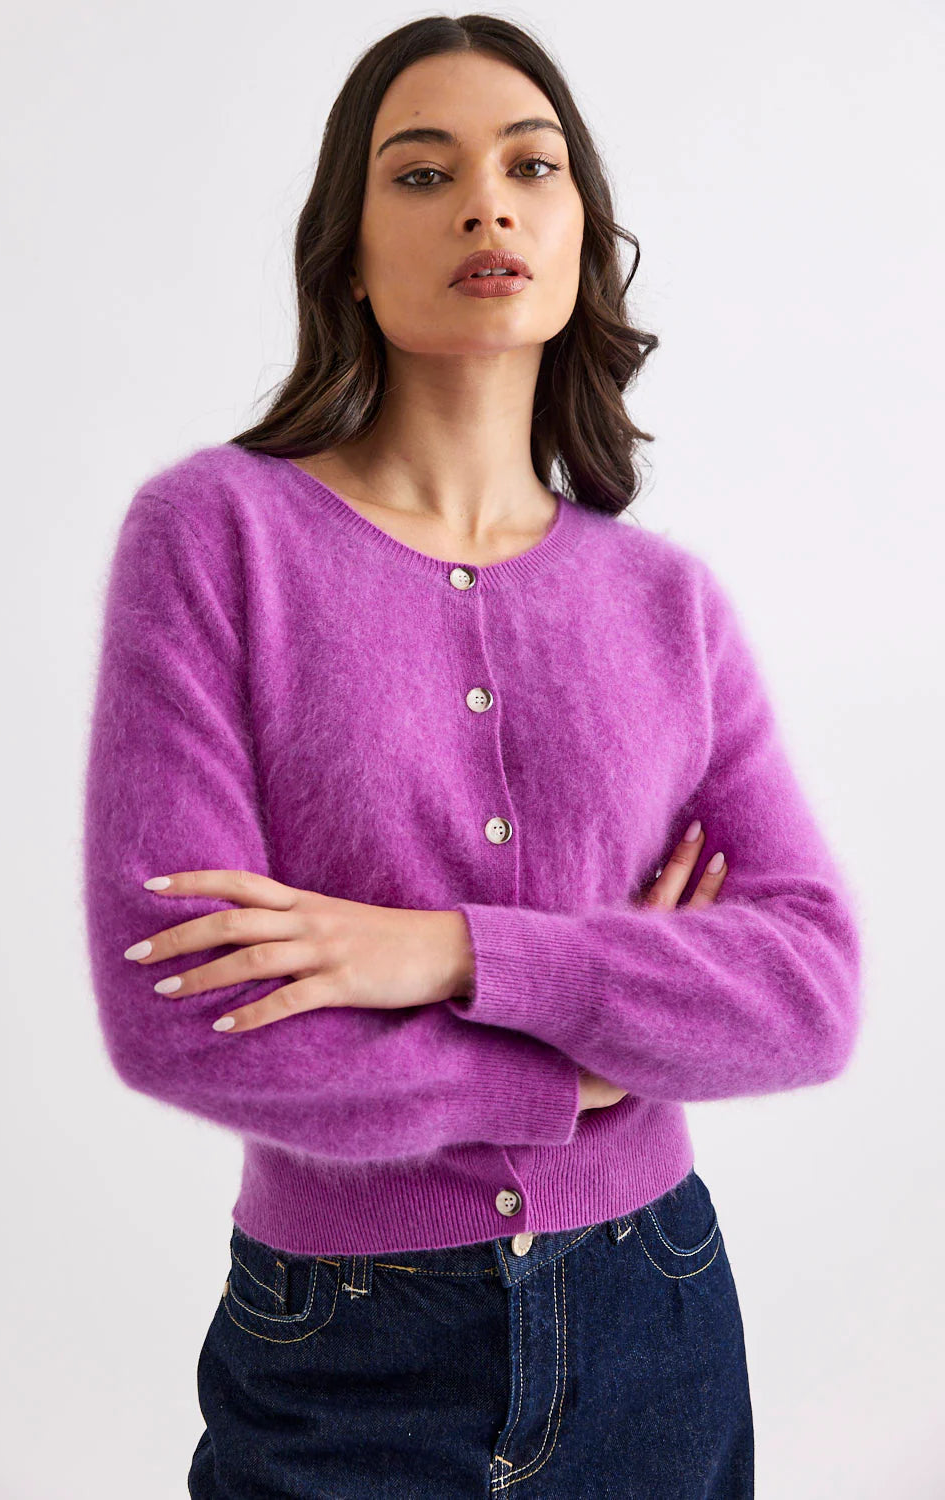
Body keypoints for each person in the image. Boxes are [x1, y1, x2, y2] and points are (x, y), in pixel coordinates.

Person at [82, 15, 863, 1498]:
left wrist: (443, 953)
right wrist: (570, 1073)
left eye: (531, 168)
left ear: (581, 238)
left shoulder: (666, 602)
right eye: (424, 173)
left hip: (655, 1317)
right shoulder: (215, 538)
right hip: (345, 1348)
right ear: (348, 254)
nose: (486, 208)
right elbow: (180, 1009)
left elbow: (806, 989)